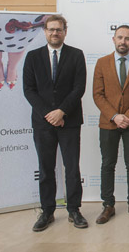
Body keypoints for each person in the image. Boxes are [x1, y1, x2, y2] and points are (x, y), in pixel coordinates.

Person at [23, 14, 87, 231]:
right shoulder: (32, 57)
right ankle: (47, 211)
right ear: (45, 32)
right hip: (43, 124)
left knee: (72, 169)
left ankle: (74, 210)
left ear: (65, 32)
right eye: (51, 29)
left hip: (69, 121)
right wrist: (49, 114)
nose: (54, 33)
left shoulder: (76, 55)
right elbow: (29, 90)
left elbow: (79, 88)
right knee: (45, 169)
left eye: (58, 29)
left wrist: (61, 112)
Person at [92, 25, 129, 224]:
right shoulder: (101, 63)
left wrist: (128, 116)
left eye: (127, 38)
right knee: (108, 164)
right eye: (120, 37)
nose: (123, 41)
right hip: (108, 123)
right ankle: (108, 205)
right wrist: (115, 116)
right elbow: (97, 95)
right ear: (113, 39)